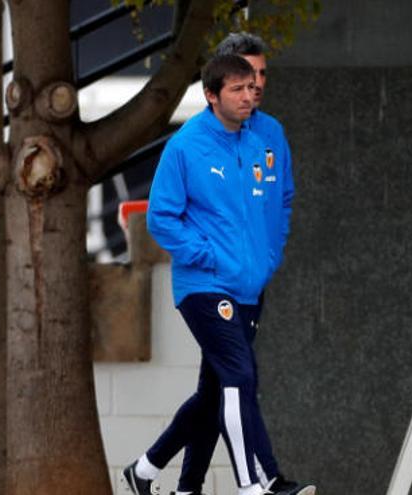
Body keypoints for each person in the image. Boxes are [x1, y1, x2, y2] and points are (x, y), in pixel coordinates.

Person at [122, 54, 311, 495]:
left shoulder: (269, 134)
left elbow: (283, 197)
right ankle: (256, 484)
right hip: (204, 286)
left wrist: (268, 254)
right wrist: (207, 256)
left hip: (250, 285)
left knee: (215, 392)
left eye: (253, 87)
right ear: (211, 96)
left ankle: (147, 471)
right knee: (241, 378)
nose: (250, 96)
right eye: (238, 89)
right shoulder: (187, 146)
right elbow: (161, 218)